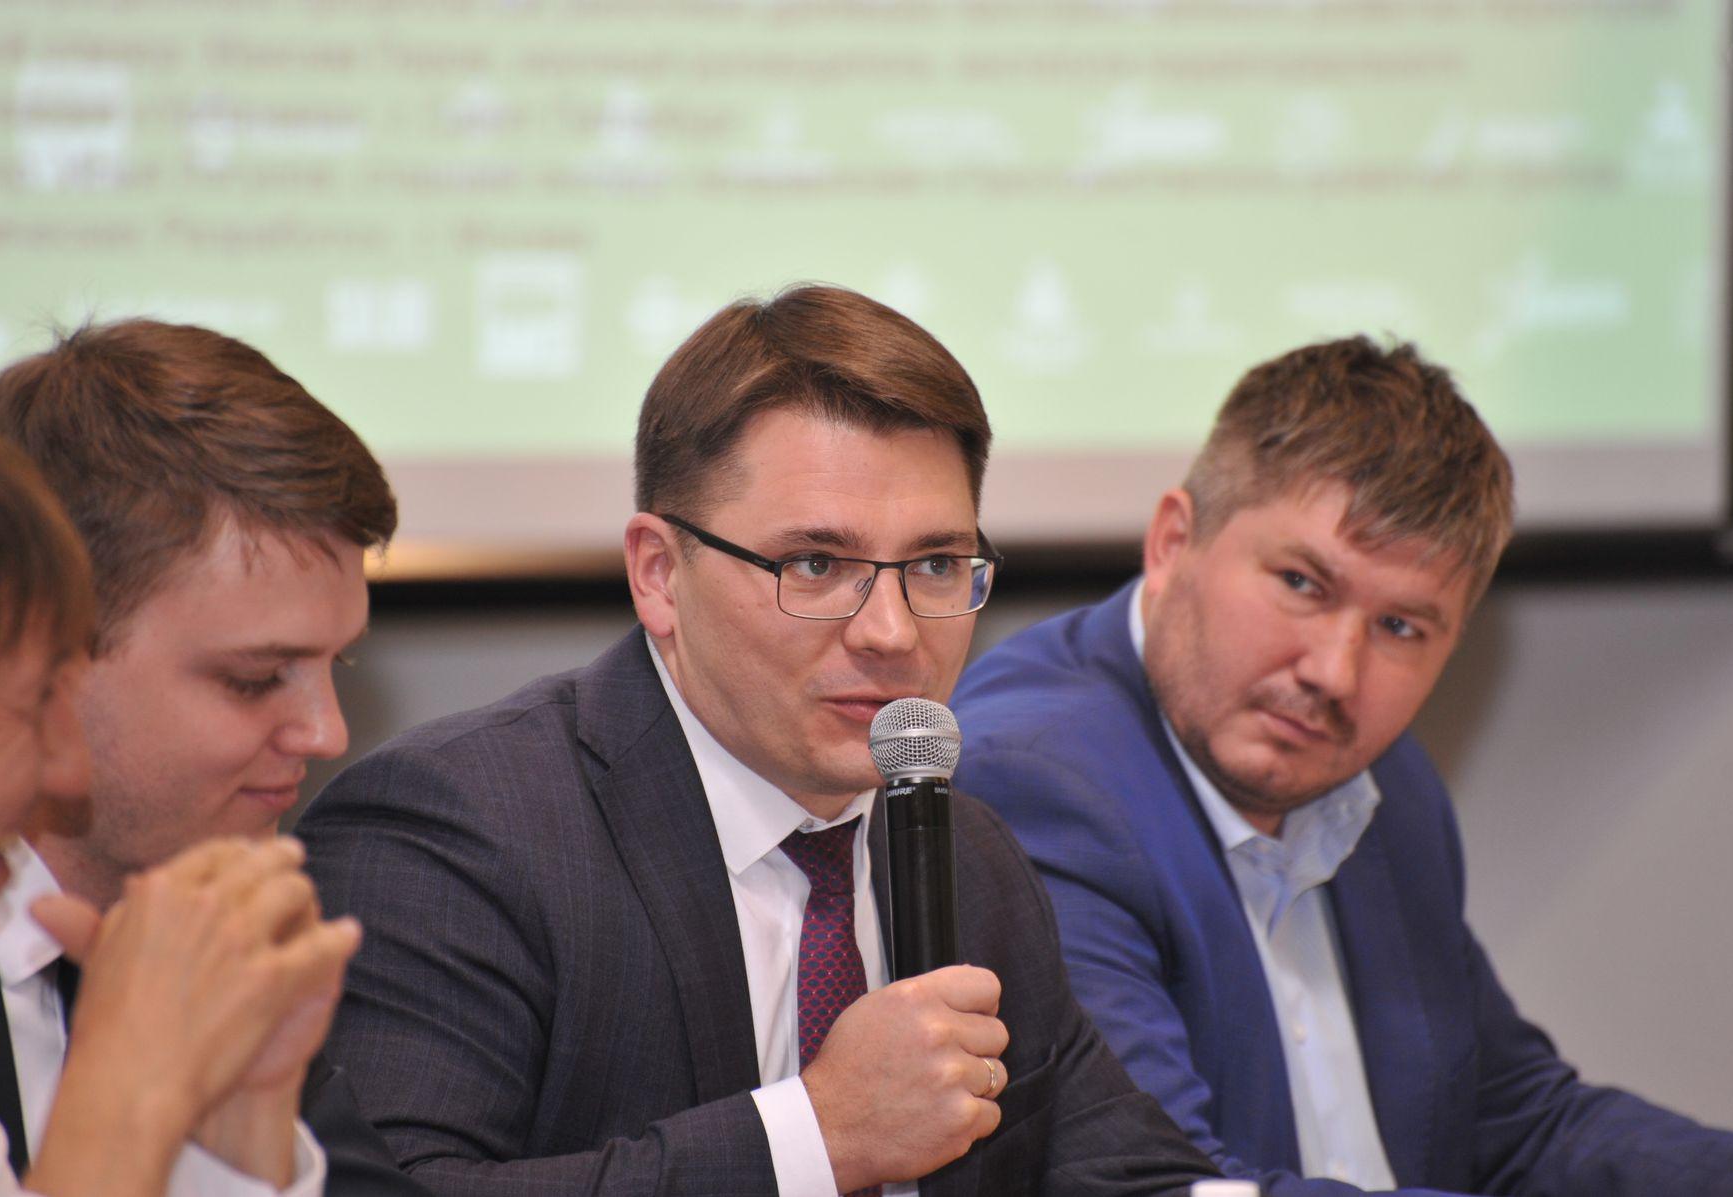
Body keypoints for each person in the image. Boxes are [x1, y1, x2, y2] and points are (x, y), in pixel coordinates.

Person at [296, 284, 1220, 1195]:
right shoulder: (457, 833)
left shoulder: (966, 854)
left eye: (937, 564)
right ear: (659, 574)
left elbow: (1124, 1168)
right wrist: (819, 1137)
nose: (893, 631)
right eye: (816, 563)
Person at [948, 335, 1733, 1196]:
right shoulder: (1035, 785)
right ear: (1173, 541)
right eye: (1302, 584)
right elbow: (1162, 1183)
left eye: (1401, 627)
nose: (1334, 673)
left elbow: (1515, 1120)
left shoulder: (1383, 785)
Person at [0, 321, 426, 1195]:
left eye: (335, 664)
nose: (327, 733)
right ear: (57, 658)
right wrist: (132, 1092)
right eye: (254, 678)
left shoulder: (218, 933)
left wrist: (243, 1143)